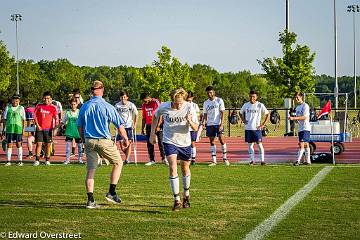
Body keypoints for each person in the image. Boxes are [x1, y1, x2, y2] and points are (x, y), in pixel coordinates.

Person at [77, 80, 129, 209]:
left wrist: (84, 140)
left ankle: (90, 200)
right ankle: (111, 192)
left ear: (92, 91)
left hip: (89, 140)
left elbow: (80, 126)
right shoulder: (107, 106)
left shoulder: (85, 106)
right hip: (104, 140)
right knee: (118, 163)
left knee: (91, 171)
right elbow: (120, 125)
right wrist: (126, 139)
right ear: (102, 90)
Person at [150, 88, 198, 211]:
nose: (179, 105)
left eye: (181, 102)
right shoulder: (164, 106)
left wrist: (189, 121)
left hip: (185, 142)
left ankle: (186, 196)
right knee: (172, 166)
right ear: (172, 100)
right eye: (176, 103)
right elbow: (155, 116)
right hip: (169, 140)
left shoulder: (189, 107)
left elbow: (196, 128)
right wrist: (152, 133)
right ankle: (176, 199)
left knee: (185, 168)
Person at [239, 90, 270, 165]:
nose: (252, 98)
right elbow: (240, 113)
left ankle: (262, 161)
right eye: (250, 96)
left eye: (253, 96)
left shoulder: (260, 105)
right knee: (250, 145)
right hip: (248, 128)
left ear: (256, 97)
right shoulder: (246, 105)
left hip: (257, 129)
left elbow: (267, 114)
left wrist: (263, 124)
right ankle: (252, 160)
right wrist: (243, 120)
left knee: (259, 144)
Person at [201, 86, 229, 166]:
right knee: (212, 142)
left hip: (218, 124)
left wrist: (221, 124)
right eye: (208, 93)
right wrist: (204, 123)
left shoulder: (219, 100)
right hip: (210, 124)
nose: (209, 94)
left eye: (210, 92)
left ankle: (225, 158)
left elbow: (223, 113)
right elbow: (205, 114)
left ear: (214, 92)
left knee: (222, 140)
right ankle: (214, 161)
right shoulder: (206, 103)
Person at [140, 92, 167, 166]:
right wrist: (142, 128)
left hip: (158, 124)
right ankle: (152, 160)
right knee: (150, 142)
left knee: (161, 142)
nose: (144, 102)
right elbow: (144, 117)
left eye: (145, 100)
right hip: (149, 125)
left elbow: (160, 114)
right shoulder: (144, 105)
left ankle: (164, 158)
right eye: (143, 101)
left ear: (149, 97)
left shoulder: (155, 102)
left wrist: (158, 125)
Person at [33, 92, 58, 166]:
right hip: (40, 129)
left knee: (48, 145)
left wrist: (55, 129)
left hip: (49, 129)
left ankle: (47, 160)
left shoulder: (53, 107)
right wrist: (37, 125)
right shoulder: (39, 106)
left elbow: (56, 118)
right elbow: (34, 116)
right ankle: (37, 160)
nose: (46, 100)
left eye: (48, 98)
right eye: (45, 98)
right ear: (43, 98)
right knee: (39, 144)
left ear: (51, 99)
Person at [57, 98, 83, 164]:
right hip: (69, 132)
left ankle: (80, 159)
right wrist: (56, 128)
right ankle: (67, 160)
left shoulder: (80, 112)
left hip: (78, 132)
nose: (73, 106)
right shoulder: (68, 112)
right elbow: (63, 121)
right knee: (68, 147)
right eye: (72, 104)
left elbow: (83, 122)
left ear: (77, 104)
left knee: (80, 146)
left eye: (74, 104)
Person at [115, 91, 138, 164]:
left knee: (129, 142)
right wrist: (116, 125)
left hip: (128, 126)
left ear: (127, 97)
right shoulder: (117, 105)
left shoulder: (131, 105)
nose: (123, 98)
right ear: (120, 98)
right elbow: (115, 116)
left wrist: (134, 124)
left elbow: (136, 115)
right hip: (120, 127)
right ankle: (127, 154)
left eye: (124, 97)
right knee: (122, 144)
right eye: (122, 97)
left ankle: (127, 159)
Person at [2, 95, 26, 166]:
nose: (15, 102)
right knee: (9, 144)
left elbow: (23, 119)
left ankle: (20, 161)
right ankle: (8, 161)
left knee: (19, 144)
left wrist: (23, 129)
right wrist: (3, 129)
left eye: (17, 101)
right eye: (14, 100)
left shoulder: (21, 108)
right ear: (11, 100)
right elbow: (4, 119)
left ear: (19, 101)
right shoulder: (8, 107)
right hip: (9, 128)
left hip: (18, 128)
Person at [289, 92, 311, 166]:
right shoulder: (297, 107)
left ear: (301, 97)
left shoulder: (305, 106)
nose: (296, 99)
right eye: (295, 97)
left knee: (301, 144)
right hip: (300, 128)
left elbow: (305, 117)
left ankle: (297, 161)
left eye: (297, 97)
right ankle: (308, 161)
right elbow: (297, 119)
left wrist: (294, 118)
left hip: (305, 127)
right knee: (306, 144)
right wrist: (292, 118)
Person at [186, 91, 201, 165]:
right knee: (185, 143)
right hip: (185, 127)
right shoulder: (184, 105)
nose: (189, 101)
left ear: (192, 98)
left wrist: (195, 123)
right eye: (187, 99)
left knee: (192, 142)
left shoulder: (195, 105)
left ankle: (193, 158)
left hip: (193, 126)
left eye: (190, 100)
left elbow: (198, 115)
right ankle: (186, 157)